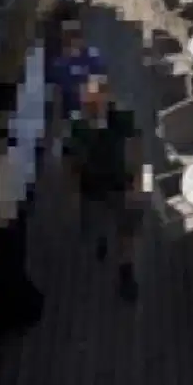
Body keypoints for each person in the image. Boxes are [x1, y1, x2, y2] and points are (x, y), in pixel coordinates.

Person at [65, 77, 140, 302]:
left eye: (97, 103)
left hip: (119, 183)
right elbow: (70, 163)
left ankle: (126, 274)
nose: (93, 108)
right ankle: (101, 239)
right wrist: (72, 194)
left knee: (125, 231)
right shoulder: (77, 127)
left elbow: (137, 148)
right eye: (89, 104)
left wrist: (140, 183)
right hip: (91, 187)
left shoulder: (122, 118)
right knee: (97, 224)